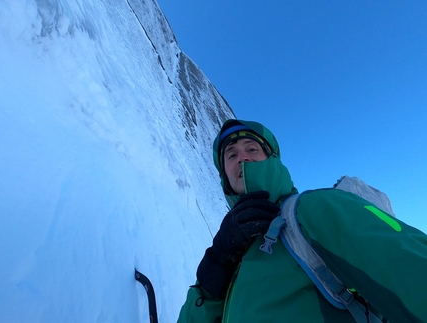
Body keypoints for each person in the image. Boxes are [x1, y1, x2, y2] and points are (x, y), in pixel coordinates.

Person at [177, 119, 427, 322]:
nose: (241, 157)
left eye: (252, 149)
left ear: (272, 158)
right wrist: (216, 264)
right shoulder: (234, 254)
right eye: (230, 155)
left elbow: (409, 267)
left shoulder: (313, 209)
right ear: (225, 176)